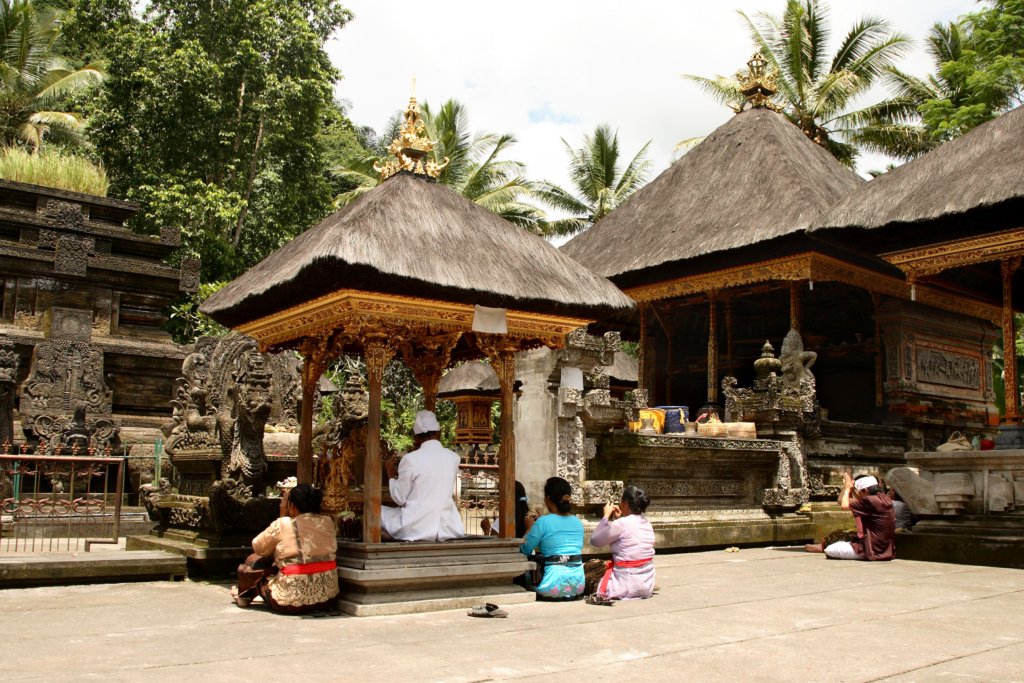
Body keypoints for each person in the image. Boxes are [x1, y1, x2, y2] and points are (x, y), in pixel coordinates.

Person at [232, 483, 339, 614]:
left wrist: (282, 517)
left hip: (291, 601)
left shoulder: (284, 523)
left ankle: (243, 596)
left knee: (251, 561)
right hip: (328, 597)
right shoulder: (328, 521)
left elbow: (258, 546)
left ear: (291, 505)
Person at [381, 410, 465, 541]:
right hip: (448, 528)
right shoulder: (453, 457)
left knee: (375, 511)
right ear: (439, 433)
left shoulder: (410, 459)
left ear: (416, 438)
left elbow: (399, 498)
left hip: (416, 527)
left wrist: (391, 475)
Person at [519, 476, 585, 600]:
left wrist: (529, 528)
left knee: (524, 576)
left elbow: (524, 550)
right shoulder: (577, 522)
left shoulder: (543, 522)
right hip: (578, 586)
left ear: (548, 498)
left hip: (551, 585)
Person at [588, 484, 656, 601]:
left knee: (589, 568)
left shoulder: (622, 523)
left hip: (625, 586)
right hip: (646, 585)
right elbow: (628, 536)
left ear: (626, 504)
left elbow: (595, 541)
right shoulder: (646, 522)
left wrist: (605, 516)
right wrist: (619, 519)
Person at [823, 473, 896, 561]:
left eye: (860, 492)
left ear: (865, 490)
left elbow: (844, 505)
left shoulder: (869, 500)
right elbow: (862, 500)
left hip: (872, 551)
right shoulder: (886, 498)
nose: (860, 495)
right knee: (842, 543)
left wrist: (847, 489)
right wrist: (853, 490)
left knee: (830, 549)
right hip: (886, 551)